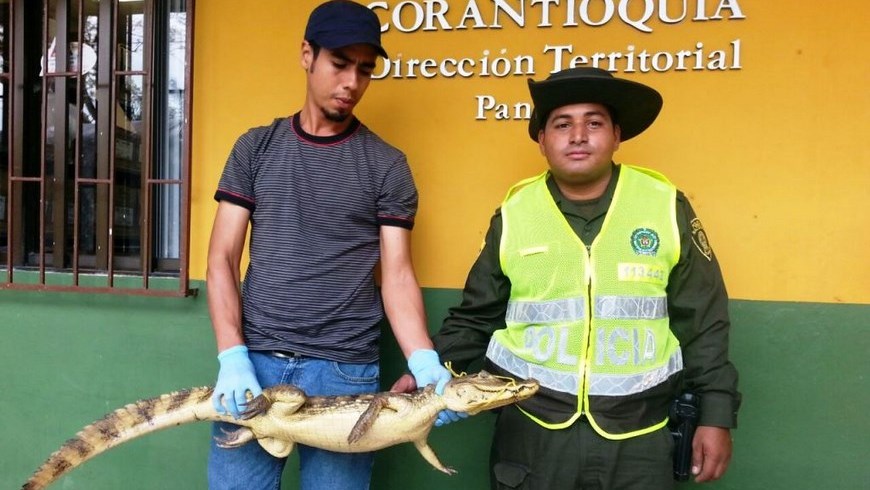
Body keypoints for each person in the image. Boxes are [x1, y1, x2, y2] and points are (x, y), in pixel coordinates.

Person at [421, 67, 741, 489]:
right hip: (532, 434)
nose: (578, 136)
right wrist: (432, 382)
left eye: (594, 123)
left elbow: (704, 321)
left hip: (640, 437)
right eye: (562, 124)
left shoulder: (664, 206)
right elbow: (475, 316)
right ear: (542, 140)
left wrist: (716, 415)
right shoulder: (515, 214)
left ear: (616, 136)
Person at [205, 1, 452, 489]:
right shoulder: (255, 148)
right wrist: (231, 356)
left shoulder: (386, 165)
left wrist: (423, 358)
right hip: (256, 360)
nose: (352, 83)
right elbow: (221, 258)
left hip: (346, 370)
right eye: (340, 63)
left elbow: (397, 274)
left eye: (365, 70)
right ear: (307, 55)